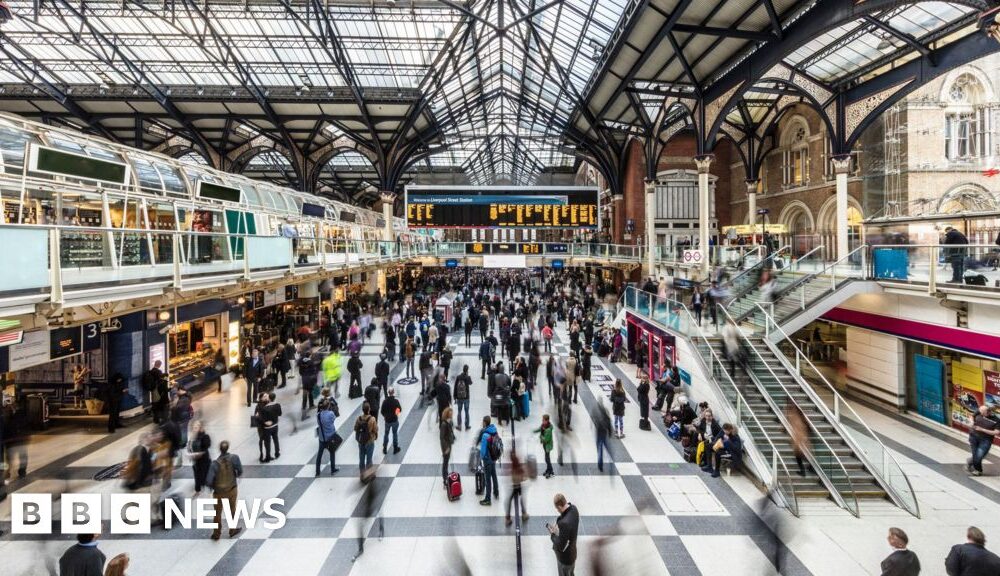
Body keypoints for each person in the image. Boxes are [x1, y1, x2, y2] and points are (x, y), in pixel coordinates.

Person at [206, 440, 243, 540]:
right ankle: (232, 530)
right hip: (232, 489)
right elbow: (240, 471)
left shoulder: (214, 464)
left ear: (220, 449)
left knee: (217, 513)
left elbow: (209, 481)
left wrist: (212, 487)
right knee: (232, 510)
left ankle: (216, 533)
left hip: (218, 493)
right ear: (228, 448)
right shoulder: (234, 458)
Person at [548, 493, 579, 576]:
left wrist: (552, 535)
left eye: (557, 509)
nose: (557, 510)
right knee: (571, 573)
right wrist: (559, 522)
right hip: (573, 554)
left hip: (565, 559)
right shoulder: (574, 509)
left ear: (559, 507)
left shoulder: (564, 524)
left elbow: (561, 546)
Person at [966, 404, 998, 476]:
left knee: (979, 455)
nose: (982, 415)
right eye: (981, 413)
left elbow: (996, 432)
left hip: (986, 440)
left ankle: (970, 461)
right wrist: (972, 422)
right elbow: (971, 416)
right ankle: (978, 470)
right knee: (975, 454)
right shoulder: (980, 411)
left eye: (984, 414)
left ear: (989, 412)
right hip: (973, 436)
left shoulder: (996, 420)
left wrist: (982, 429)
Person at [478, 415, 500, 506]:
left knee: (487, 479)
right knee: (494, 475)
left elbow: (483, 451)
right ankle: (496, 492)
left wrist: (481, 458)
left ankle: (488, 499)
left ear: (484, 422)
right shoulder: (494, 431)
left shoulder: (485, 435)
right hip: (494, 457)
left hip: (487, 459)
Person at [315, 399, 341, 476]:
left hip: (322, 438)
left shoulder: (318, 415)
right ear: (329, 406)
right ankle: (333, 470)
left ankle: (317, 472)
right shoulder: (331, 414)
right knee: (332, 453)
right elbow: (333, 420)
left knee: (319, 454)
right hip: (330, 437)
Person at [354, 401, 378, 478]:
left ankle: (362, 474)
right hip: (369, 441)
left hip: (361, 441)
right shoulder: (372, 419)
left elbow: (355, 428)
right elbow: (375, 429)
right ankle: (369, 474)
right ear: (368, 410)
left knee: (361, 457)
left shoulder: (359, 418)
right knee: (369, 458)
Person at [189, 420, 212, 494]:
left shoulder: (205, 436)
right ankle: (197, 489)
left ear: (201, 427)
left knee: (205, 474)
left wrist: (199, 453)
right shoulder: (192, 437)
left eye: (197, 426)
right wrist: (190, 454)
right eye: (194, 426)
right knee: (197, 475)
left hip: (204, 460)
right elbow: (189, 447)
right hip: (195, 460)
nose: (195, 427)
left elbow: (207, 446)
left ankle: (208, 487)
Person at [380, 387, 402, 455]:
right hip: (394, 420)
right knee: (394, 433)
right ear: (393, 392)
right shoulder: (396, 401)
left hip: (387, 421)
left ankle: (385, 448)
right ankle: (395, 448)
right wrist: (396, 414)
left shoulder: (385, 401)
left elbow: (382, 411)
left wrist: (385, 416)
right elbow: (399, 409)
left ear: (388, 393)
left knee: (386, 434)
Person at [592, 399, 612, 472]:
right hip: (604, 433)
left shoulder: (597, 413)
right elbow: (609, 422)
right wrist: (609, 431)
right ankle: (608, 461)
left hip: (599, 433)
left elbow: (595, 421)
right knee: (605, 447)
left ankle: (600, 464)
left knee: (599, 449)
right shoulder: (606, 413)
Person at [440, 406, 456, 486]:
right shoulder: (444, 424)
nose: (452, 415)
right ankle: (445, 479)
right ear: (447, 414)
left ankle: (446, 478)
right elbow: (442, 438)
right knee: (445, 463)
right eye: (450, 414)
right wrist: (445, 448)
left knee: (446, 462)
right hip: (446, 446)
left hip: (449, 444)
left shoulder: (449, 422)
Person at [453, 365, 472, 430]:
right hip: (466, 397)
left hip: (459, 397)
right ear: (467, 370)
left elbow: (455, 387)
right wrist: (468, 376)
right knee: (467, 412)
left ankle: (459, 425)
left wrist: (454, 397)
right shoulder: (467, 377)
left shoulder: (458, 377)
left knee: (459, 411)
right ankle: (467, 425)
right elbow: (470, 383)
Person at [536, 413, 555, 478]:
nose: (542, 421)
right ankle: (548, 470)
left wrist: (541, 437)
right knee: (547, 458)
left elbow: (546, 440)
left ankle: (551, 472)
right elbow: (540, 429)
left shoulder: (548, 430)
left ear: (547, 421)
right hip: (545, 445)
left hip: (548, 446)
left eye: (543, 420)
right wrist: (534, 431)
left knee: (547, 459)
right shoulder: (543, 426)